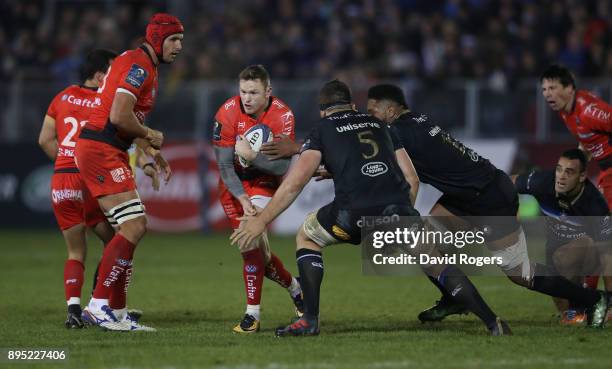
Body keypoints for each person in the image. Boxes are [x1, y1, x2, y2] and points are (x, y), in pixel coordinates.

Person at [232, 80, 513, 336]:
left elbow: (294, 184)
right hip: (397, 209)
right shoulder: (381, 126)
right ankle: (492, 321)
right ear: (353, 106)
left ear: (322, 111)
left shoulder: (322, 130)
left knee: (307, 236)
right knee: (435, 260)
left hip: (350, 215)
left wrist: (262, 220)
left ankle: (310, 319)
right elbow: (411, 178)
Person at [366, 83, 609, 328]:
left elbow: (393, 172)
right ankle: (454, 298)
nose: (370, 118)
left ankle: (593, 298)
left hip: (488, 198)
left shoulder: (397, 132)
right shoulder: (417, 120)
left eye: (373, 112)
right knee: (423, 246)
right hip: (464, 196)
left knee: (520, 273)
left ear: (389, 110)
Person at [75, 13, 182, 331]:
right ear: (158, 39)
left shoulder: (139, 62)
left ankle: (116, 313)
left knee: (127, 230)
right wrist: (151, 135)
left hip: (107, 149)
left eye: (181, 41)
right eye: (174, 40)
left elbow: (123, 118)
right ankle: (97, 306)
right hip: (100, 150)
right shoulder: (139, 67)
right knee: (134, 226)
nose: (179, 47)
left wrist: (149, 151)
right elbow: (120, 115)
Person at [212, 64, 303, 333]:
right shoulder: (227, 112)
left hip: (264, 183)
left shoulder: (283, 116)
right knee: (258, 254)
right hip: (233, 186)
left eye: (253, 92)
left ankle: (252, 315)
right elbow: (225, 166)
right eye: (243, 92)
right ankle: (296, 288)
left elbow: (281, 168)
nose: (247, 98)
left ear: (268, 92)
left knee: (249, 241)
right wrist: (241, 198)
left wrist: (253, 157)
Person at [39, 49, 117, 328]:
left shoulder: (61, 97)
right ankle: (100, 303)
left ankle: (73, 310)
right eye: (111, 71)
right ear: (99, 76)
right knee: (115, 242)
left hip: (62, 180)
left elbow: (45, 139)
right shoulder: (106, 101)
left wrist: (65, 159)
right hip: (88, 180)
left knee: (75, 252)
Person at [513, 149, 612, 324]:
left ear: (582, 177)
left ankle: (591, 301)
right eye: (559, 169)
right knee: (567, 313)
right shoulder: (542, 182)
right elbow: (508, 183)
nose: (561, 176)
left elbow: (607, 255)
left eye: (569, 172)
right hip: (553, 254)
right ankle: (578, 311)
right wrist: (512, 210)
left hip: (587, 255)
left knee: (579, 248)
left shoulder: (595, 205)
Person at [541, 64, 612, 292]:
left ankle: (591, 298)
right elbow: (588, 143)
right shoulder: (566, 113)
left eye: (553, 87)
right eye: (544, 89)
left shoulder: (588, 110)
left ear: (569, 88)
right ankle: (589, 297)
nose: (548, 94)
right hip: (606, 172)